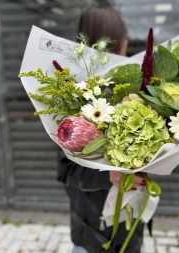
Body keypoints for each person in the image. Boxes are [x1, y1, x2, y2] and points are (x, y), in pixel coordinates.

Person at [57, 6, 146, 253]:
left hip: (130, 229)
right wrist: (107, 174)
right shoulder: (73, 98)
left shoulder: (135, 92)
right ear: (120, 42)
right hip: (92, 233)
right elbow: (66, 170)